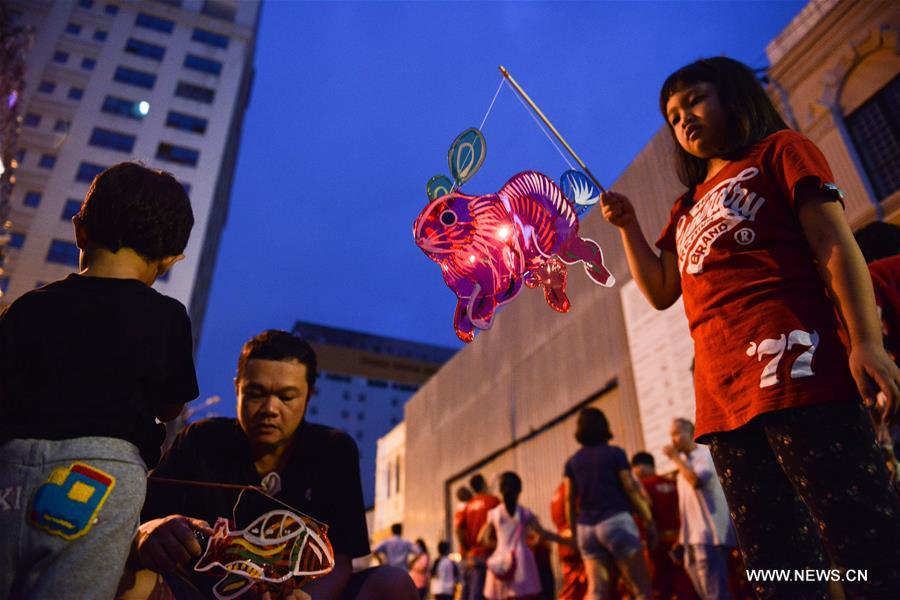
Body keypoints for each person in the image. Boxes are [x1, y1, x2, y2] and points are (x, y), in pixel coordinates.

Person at [600, 55, 900, 598]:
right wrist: (628, 228)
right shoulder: (685, 206)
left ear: (735, 96)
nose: (683, 118)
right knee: (776, 563)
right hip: (723, 408)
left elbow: (835, 243)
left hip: (802, 375)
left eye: (694, 100)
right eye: (672, 115)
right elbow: (663, 289)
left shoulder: (780, 151)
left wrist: (866, 343)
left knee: (864, 545)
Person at [0, 162, 198, 599]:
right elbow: (170, 405)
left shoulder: (29, 306)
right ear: (169, 259)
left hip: (11, 467)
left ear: (80, 231)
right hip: (99, 475)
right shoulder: (166, 316)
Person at [124, 330, 417, 600]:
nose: (270, 409)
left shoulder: (333, 450)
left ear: (309, 395)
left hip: (299, 593)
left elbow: (341, 560)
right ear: (237, 388)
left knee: (392, 583)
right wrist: (150, 532)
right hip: (200, 591)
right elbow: (138, 524)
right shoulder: (200, 440)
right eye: (256, 394)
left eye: (287, 396)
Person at [564, 408, 654, 600]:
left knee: (596, 591)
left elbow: (568, 500)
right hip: (616, 522)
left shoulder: (572, 462)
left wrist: (574, 534)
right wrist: (648, 520)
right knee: (641, 589)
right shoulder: (615, 454)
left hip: (586, 529)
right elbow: (630, 487)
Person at [663, 420, 735, 600]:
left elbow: (696, 482)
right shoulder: (684, 465)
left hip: (708, 537)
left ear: (692, 432)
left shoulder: (705, 455)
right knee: (704, 594)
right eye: (671, 435)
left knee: (715, 594)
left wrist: (675, 458)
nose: (674, 440)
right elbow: (688, 507)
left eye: (678, 433)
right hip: (691, 539)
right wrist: (682, 537)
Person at [479, 471, 571, 600]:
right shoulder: (525, 513)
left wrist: (499, 545)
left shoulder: (494, 514)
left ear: (500, 490)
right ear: (519, 490)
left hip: (501, 559)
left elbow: (482, 538)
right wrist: (568, 541)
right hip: (522, 560)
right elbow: (544, 534)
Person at [631, 452, 697, 600]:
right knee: (685, 585)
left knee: (661, 587)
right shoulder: (674, 483)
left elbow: (643, 519)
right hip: (681, 541)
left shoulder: (643, 487)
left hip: (658, 545)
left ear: (640, 468)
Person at [457, 473, 501, 600]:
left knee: (473, 593)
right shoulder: (493, 501)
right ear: (483, 483)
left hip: (474, 556)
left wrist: (467, 550)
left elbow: (458, 529)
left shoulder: (468, 506)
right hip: (491, 554)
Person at [550, 481, 588, 600]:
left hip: (564, 544)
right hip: (578, 540)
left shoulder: (559, 490)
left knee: (571, 587)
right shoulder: (577, 487)